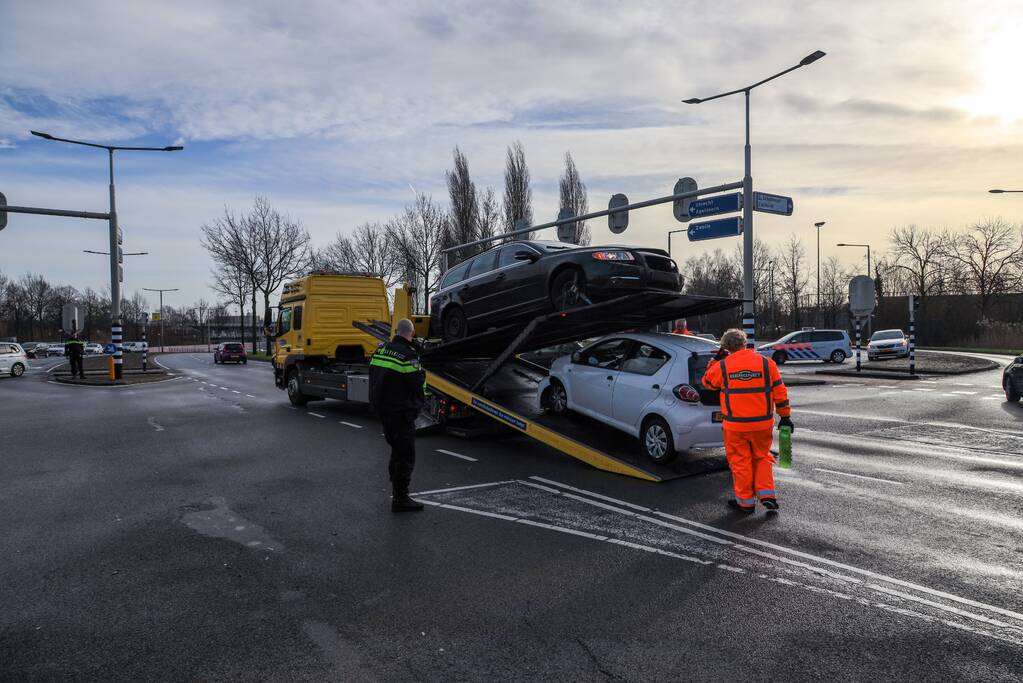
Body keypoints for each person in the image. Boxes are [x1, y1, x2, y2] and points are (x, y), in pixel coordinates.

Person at [702, 328, 792, 514]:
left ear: (726, 347)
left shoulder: (724, 366)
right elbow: (780, 391)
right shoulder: (766, 364)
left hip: (736, 426)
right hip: (762, 424)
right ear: (745, 343)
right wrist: (785, 416)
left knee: (740, 462)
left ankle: (745, 502)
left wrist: (714, 364)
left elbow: (707, 383)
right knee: (762, 456)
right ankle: (767, 494)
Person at [369, 318, 427, 512]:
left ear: (396, 331)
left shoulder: (381, 350)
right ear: (411, 333)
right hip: (401, 412)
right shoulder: (408, 355)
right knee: (405, 454)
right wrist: (419, 404)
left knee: (396, 450)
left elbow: (374, 377)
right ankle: (401, 498)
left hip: (384, 410)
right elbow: (417, 384)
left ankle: (397, 489)